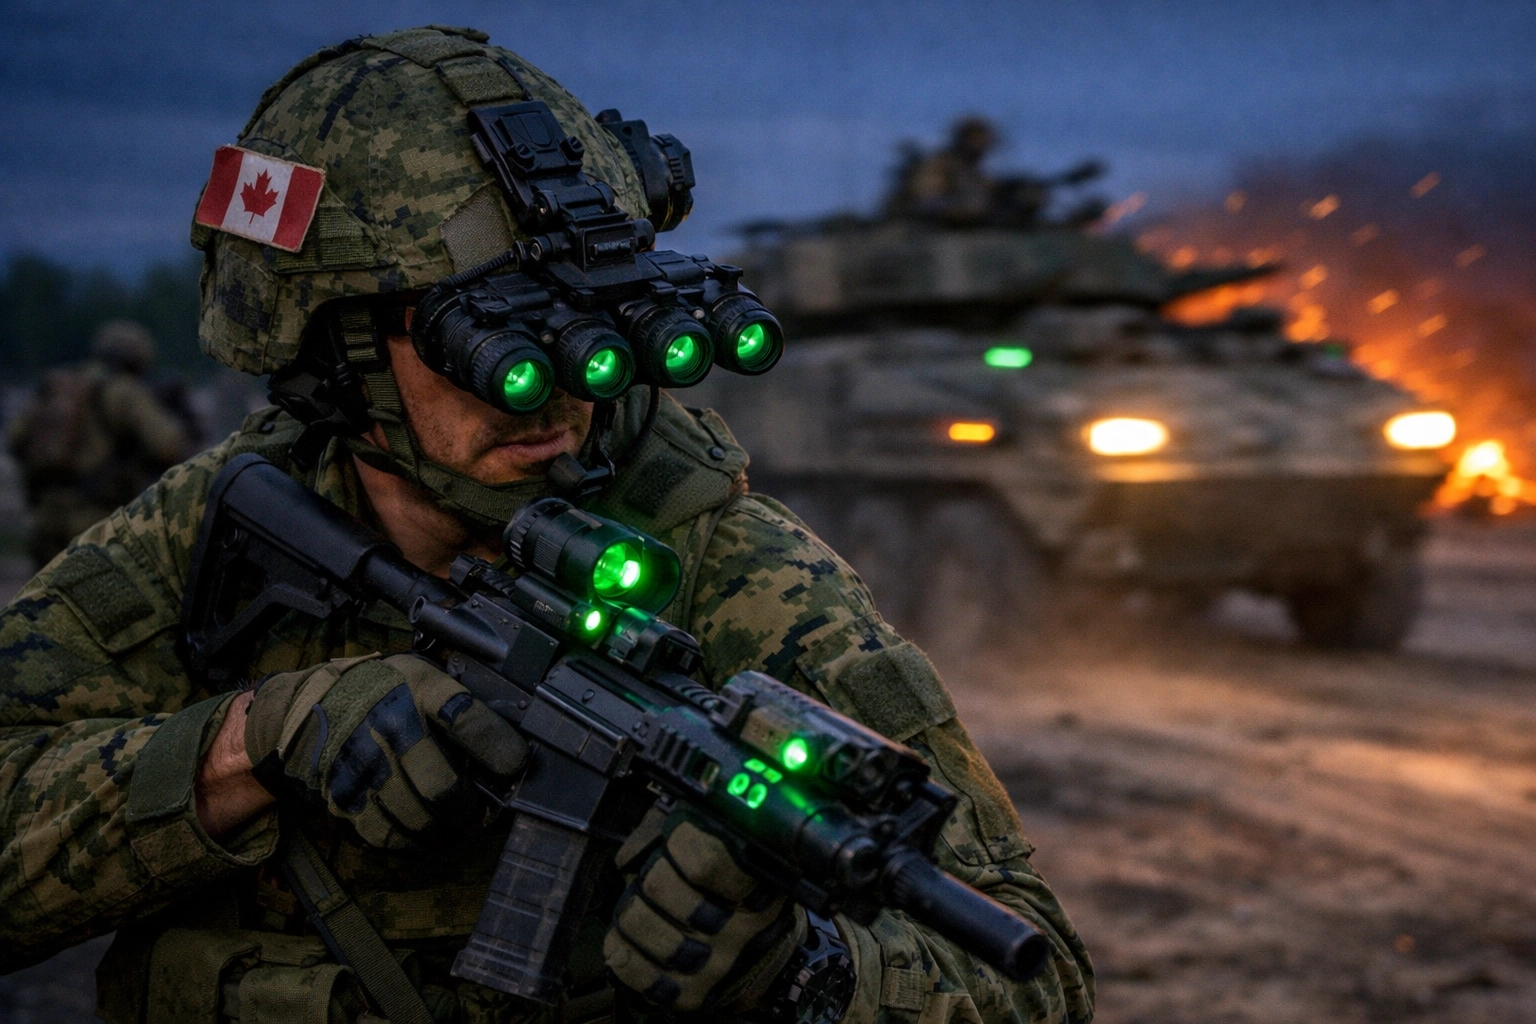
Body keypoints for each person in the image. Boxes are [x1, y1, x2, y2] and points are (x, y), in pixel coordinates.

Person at [0, 27, 1092, 1024]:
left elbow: (1033, 975)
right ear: (333, 348)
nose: (553, 395)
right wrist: (255, 740)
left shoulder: (740, 572)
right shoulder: (214, 530)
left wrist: (813, 971)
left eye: (589, 325)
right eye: (492, 341)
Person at [6, 319, 190, 568]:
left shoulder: (62, 384)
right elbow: (168, 446)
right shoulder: (124, 391)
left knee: (45, 603)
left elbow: (15, 438)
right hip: (95, 525)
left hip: (44, 520)